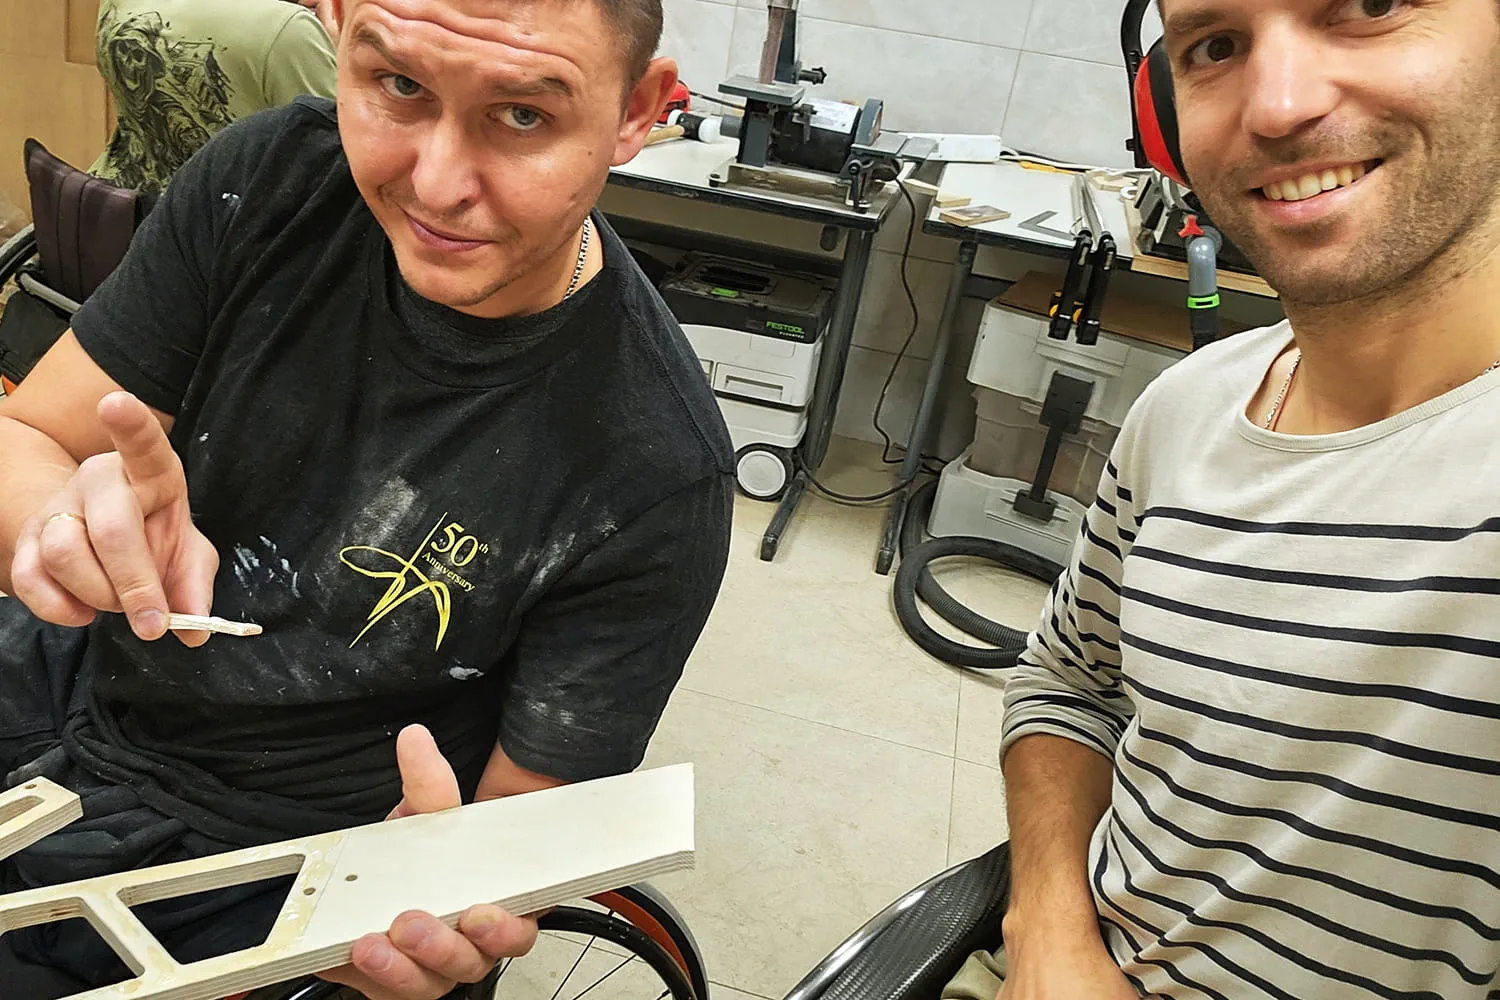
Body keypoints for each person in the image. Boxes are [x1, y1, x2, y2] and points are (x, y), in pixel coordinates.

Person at [0, 0, 734, 997]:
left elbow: (510, 844)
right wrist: (60, 521)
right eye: (399, 85)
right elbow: (30, 436)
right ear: (339, 28)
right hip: (66, 681)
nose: (435, 184)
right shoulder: (271, 178)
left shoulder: (653, 473)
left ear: (637, 110)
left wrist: (437, 908)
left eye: (523, 114)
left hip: (276, 855)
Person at [947, 0, 1500, 998]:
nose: (1276, 106)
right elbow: (1066, 682)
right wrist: (1048, 930)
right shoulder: (1189, 405)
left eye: (1370, 6)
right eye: (1214, 46)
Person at [91, 0, 338, 196]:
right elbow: (335, 173)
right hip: (237, 230)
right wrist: (339, 47)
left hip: (119, 206)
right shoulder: (288, 30)